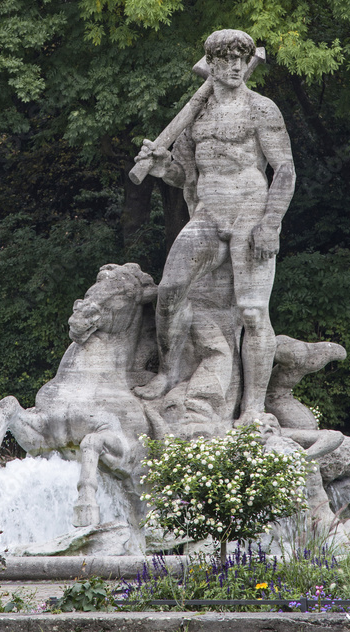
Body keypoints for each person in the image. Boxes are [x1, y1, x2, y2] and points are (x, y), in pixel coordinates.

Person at [134, 29, 295, 425]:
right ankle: (168, 373)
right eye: (226, 59)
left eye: (242, 57)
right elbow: (182, 174)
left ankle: (254, 408)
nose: (237, 65)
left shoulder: (261, 109)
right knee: (170, 290)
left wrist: (271, 222)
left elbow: (285, 169)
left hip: (251, 211)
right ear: (212, 64)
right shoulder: (197, 117)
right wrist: (158, 165)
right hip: (207, 213)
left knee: (254, 312)